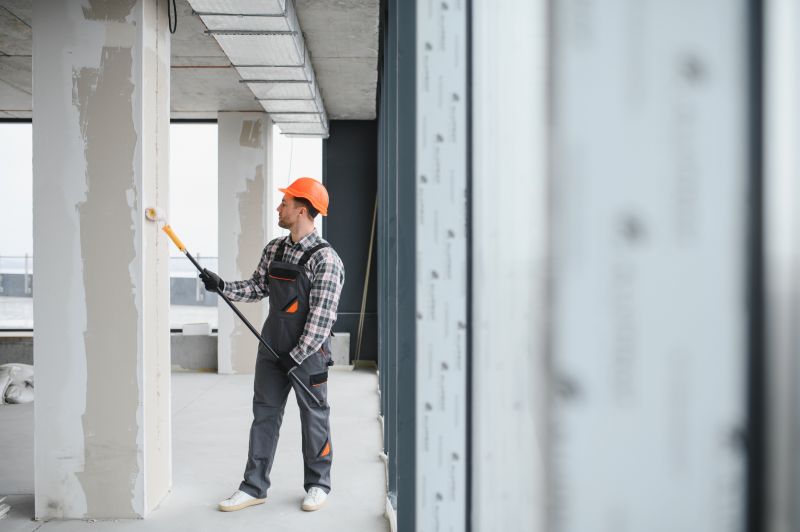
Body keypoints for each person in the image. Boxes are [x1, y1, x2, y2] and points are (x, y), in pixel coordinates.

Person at [200, 177, 345, 513]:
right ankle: (254, 486)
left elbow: (322, 319)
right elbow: (257, 288)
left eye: (285, 203)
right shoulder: (275, 249)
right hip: (271, 347)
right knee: (263, 415)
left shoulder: (326, 260)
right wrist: (222, 287)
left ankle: (318, 484)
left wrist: (295, 357)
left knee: (314, 417)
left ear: (303, 210)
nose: (279, 208)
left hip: (309, 354)